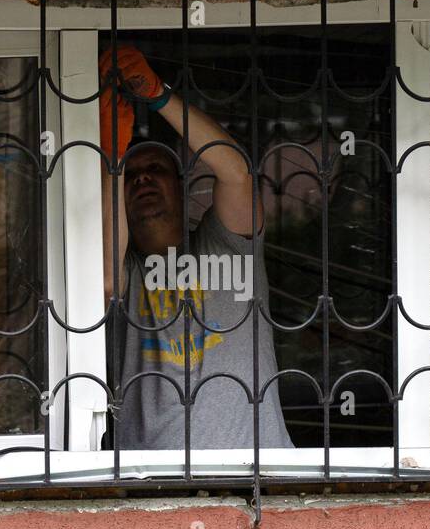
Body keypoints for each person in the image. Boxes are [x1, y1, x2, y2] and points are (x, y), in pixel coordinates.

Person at [99, 44, 293, 451]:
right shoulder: (121, 271)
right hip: (153, 486)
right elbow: (103, 280)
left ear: (181, 184)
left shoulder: (227, 246)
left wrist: (159, 96)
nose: (142, 181)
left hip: (260, 476)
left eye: (155, 170)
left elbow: (237, 173)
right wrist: (112, 159)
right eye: (130, 175)